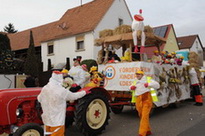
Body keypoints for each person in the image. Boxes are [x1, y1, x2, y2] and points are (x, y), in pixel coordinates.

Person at [37, 71, 90, 136]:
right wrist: (84, 92)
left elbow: (39, 99)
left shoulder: (45, 88)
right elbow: (74, 96)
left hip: (47, 121)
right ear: (59, 79)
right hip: (57, 122)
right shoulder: (61, 90)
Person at [129, 70, 160, 136]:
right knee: (141, 115)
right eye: (136, 74)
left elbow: (158, 85)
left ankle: (142, 133)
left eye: (139, 74)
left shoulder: (148, 79)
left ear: (142, 75)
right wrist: (131, 87)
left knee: (144, 115)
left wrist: (149, 84)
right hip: (138, 100)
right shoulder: (135, 81)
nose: (137, 75)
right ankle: (148, 130)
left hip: (147, 99)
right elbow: (130, 87)